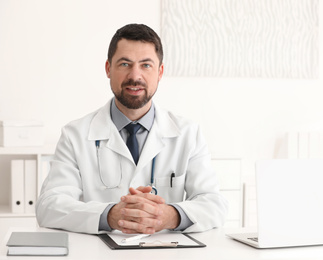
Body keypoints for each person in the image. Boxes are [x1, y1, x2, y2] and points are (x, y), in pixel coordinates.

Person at [36, 23, 228, 235]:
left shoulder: (188, 133)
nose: (135, 76)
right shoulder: (75, 135)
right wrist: (110, 215)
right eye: (125, 64)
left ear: (160, 72)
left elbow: (214, 205)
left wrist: (167, 216)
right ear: (108, 69)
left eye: (146, 65)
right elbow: (49, 206)